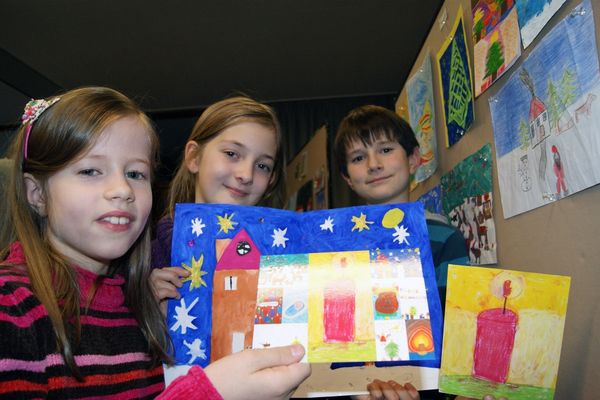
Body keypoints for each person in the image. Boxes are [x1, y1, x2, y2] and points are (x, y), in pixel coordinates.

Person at [0, 87, 309, 399]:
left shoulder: (135, 303)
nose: (122, 189)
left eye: (136, 173)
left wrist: (157, 325)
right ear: (37, 194)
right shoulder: (11, 306)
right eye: (90, 170)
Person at [334, 105, 479, 400]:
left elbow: (458, 327)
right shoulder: (335, 246)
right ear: (348, 178)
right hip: (354, 389)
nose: (373, 164)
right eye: (359, 158)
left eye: (385, 150)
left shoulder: (442, 237)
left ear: (413, 159)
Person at [150, 95, 285, 307]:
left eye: (262, 166)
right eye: (232, 153)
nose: (246, 175)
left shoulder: (281, 260)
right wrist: (146, 315)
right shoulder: (142, 263)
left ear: (271, 180)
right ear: (194, 157)